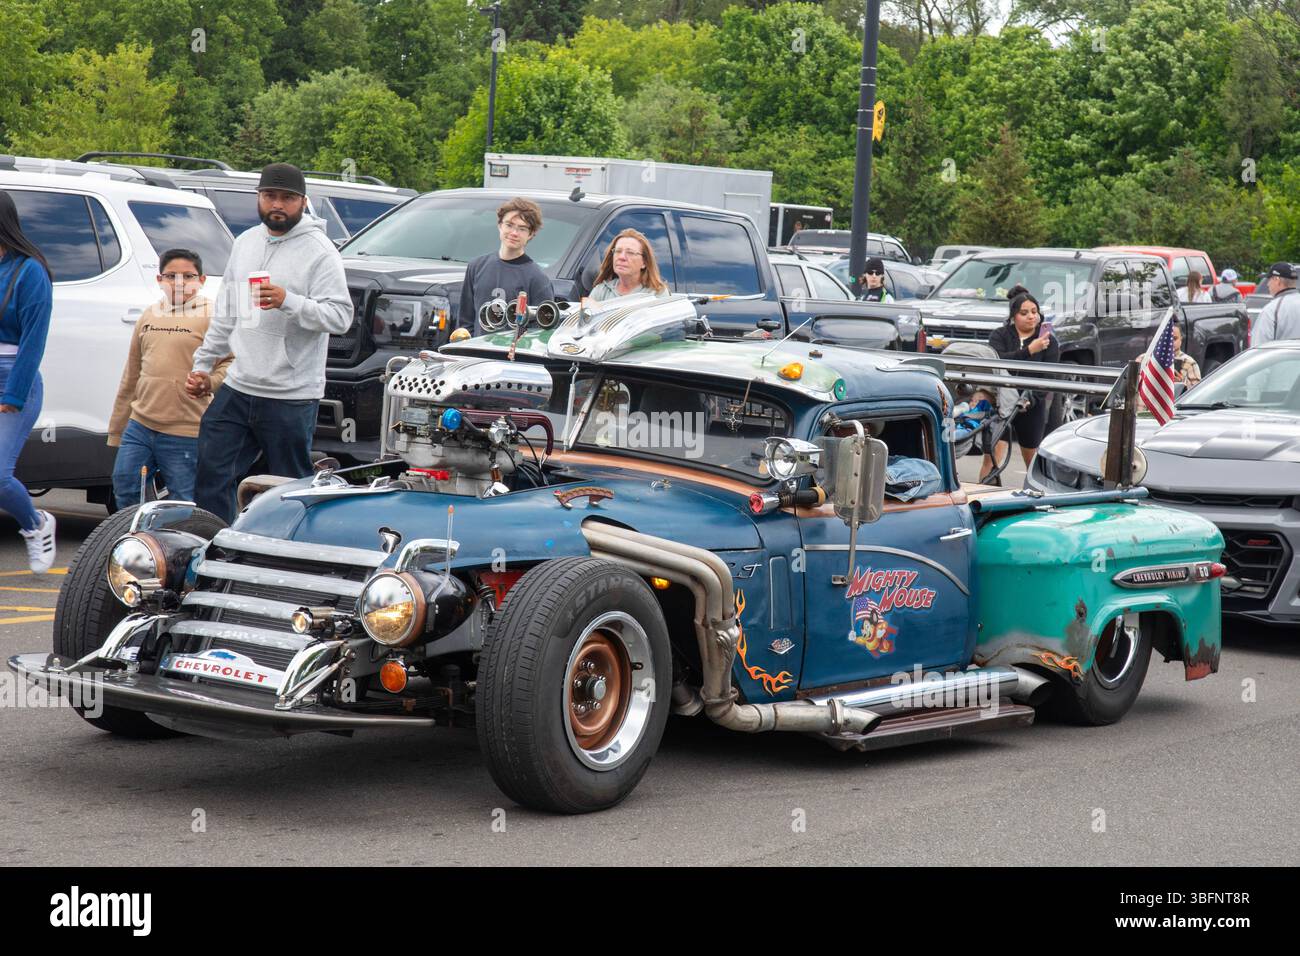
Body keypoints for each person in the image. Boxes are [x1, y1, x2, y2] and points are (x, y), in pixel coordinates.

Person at [186, 163, 352, 524]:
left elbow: (341, 317)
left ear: (303, 202)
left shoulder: (320, 251)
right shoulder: (245, 243)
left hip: (290, 395)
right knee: (212, 474)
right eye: (270, 196)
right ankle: (211, 549)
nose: (278, 204)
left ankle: (285, 563)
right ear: (258, 198)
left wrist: (288, 300)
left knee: (289, 491)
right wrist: (203, 365)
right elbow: (227, 313)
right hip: (239, 386)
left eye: (287, 198)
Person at [109, 248, 232, 508]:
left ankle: (184, 548)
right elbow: (132, 374)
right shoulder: (149, 314)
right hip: (140, 424)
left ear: (202, 280)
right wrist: (118, 429)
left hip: (185, 429)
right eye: (171, 275)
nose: (179, 282)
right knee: (125, 486)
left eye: (188, 276)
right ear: (159, 280)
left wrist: (209, 382)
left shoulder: (212, 315)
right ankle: (138, 545)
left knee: (183, 501)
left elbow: (232, 362)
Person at [0, 191, 56, 571]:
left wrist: (13, 394)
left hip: (13, 379)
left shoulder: (29, 270)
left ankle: (36, 525)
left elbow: (34, 342)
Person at [986, 284, 1060, 476]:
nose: (1031, 316)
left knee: (1033, 463)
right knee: (992, 456)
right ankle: (983, 493)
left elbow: (1048, 379)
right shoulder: (999, 335)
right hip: (1002, 403)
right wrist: (1029, 351)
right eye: (1024, 312)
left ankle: (1036, 497)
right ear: (1013, 316)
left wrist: (1031, 399)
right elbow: (997, 361)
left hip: (1030, 405)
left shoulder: (1049, 342)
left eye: (1034, 312)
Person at [457, 198, 555, 335]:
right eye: (509, 225)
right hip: (476, 353)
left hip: (512, 355)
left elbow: (541, 332)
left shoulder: (538, 278)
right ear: (499, 225)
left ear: (531, 234)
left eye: (522, 228)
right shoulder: (476, 266)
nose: (514, 233)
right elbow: (465, 323)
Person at [588, 229, 670, 302]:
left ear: (644, 262)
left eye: (630, 253)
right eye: (618, 251)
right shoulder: (601, 291)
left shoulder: (657, 294)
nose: (621, 257)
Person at [1252, 262, 1300, 346]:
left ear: (1277, 280)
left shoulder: (1272, 309)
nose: (1267, 284)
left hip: (1283, 359)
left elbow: (1258, 348)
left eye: (1269, 279)